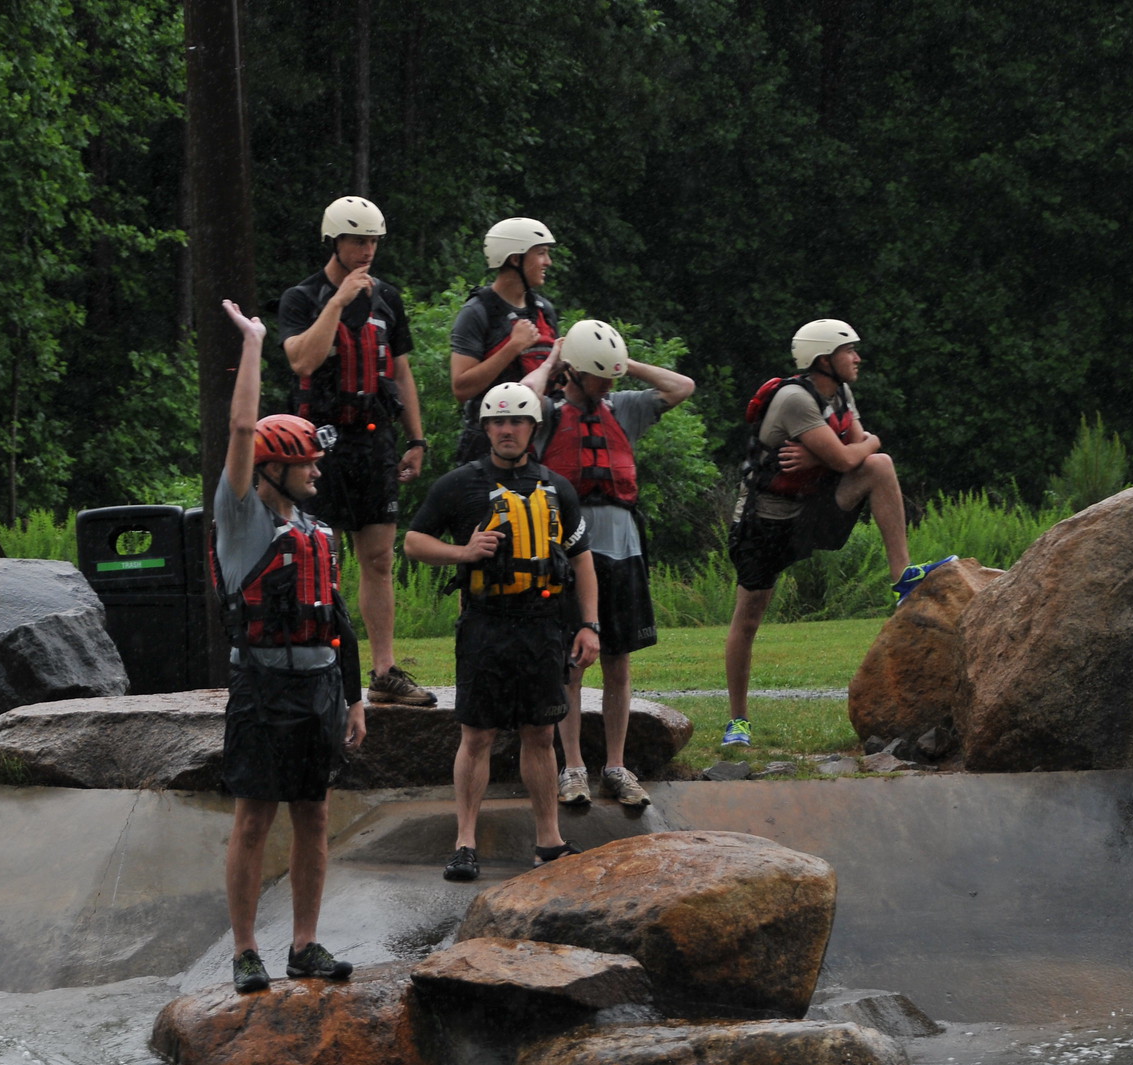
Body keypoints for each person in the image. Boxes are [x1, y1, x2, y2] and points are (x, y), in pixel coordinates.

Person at [210, 299, 366, 994]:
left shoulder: (315, 530)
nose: (317, 471)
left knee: (314, 814)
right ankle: (246, 950)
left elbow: (338, 618)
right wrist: (254, 343)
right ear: (274, 469)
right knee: (253, 819)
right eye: (306, 461)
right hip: (263, 688)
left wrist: (355, 698)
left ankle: (304, 945)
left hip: (319, 688)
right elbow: (243, 425)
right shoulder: (242, 520)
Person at [721, 319, 954, 749]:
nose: (858, 358)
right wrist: (850, 450)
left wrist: (821, 455)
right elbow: (849, 457)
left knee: (879, 466)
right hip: (764, 524)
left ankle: (902, 577)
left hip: (809, 515)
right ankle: (738, 721)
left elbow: (861, 448)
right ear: (823, 359)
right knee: (749, 618)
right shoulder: (794, 399)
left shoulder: (841, 393)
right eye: (850, 351)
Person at [403, 382, 602, 882]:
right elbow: (412, 541)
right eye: (497, 421)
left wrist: (589, 625)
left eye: (516, 421)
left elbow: (582, 561)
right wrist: (462, 554)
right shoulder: (458, 485)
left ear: (533, 427)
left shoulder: (558, 487)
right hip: (485, 624)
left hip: (542, 626)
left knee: (540, 732)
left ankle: (549, 842)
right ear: (485, 428)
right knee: (478, 734)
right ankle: (465, 843)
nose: (506, 429)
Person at [523, 320, 694, 810]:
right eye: (599, 377)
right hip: (572, 552)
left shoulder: (625, 408)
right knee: (573, 663)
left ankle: (616, 767)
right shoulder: (549, 414)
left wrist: (625, 363)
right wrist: (552, 361)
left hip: (625, 547)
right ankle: (572, 767)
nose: (608, 386)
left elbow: (682, 386)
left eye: (612, 377)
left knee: (618, 662)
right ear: (574, 373)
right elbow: (518, 395)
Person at [278, 195, 436, 709]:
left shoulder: (389, 299)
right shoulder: (302, 298)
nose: (367, 250)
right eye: (357, 240)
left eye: (372, 241)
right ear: (334, 242)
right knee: (319, 557)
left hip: (374, 442)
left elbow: (403, 372)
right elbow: (303, 359)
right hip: (319, 447)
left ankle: (385, 671)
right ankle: (317, 662)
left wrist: (415, 439)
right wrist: (338, 301)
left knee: (377, 559)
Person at [450, 217, 561, 463]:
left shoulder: (544, 309)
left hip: (539, 443)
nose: (548, 262)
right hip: (488, 444)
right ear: (515, 258)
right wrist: (513, 347)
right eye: (541, 253)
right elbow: (461, 388)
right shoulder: (477, 312)